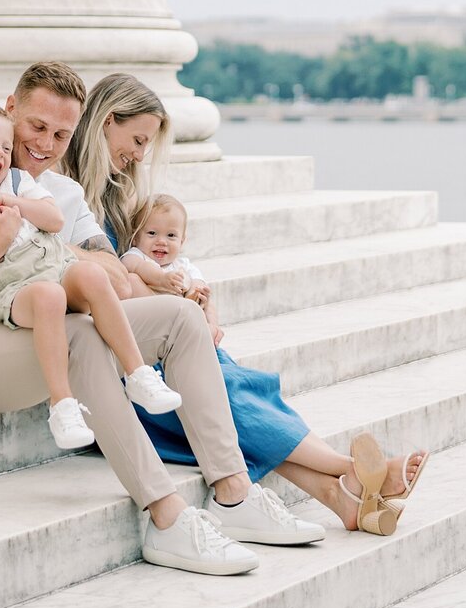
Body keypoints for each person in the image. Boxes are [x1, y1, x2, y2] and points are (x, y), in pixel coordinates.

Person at [0, 61, 319, 575]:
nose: (45, 145)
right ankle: (166, 517)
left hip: (35, 330)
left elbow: (113, 277)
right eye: (35, 127)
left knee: (181, 318)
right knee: (80, 333)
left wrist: (37, 234)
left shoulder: (61, 196)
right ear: (10, 110)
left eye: (61, 134)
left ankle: (233, 496)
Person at [60, 71, 430, 535]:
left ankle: (341, 500)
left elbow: (141, 275)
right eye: (136, 139)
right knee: (225, 392)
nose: (138, 154)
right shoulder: (63, 191)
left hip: (143, 341)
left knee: (224, 384)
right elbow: (111, 286)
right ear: (107, 121)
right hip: (108, 361)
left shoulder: (115, 198)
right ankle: (345, 469)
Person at [0, 103, 182, 449]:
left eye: (6, 147)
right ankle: (63, 405)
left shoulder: (19, 183)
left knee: (94, 275)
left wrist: (15, 204)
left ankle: (138, 373)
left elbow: (54, 221)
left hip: (58, 263)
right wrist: (2, 239)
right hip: (17, 288)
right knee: (49, 295)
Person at [122, 195, 222, 344]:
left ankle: (212, 329)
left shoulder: (183, 265)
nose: (161, 241)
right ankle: (180, 322)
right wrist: (161, 279)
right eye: (152, 233)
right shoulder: (137, 256)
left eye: (171, 235)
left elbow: (197, 282)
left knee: (208, 303)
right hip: (155, 315)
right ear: (135, 237)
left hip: (182, 311)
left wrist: (196, 294)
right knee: (132, 281)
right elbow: (132, 264)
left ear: (181, 241)